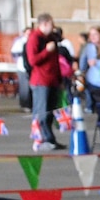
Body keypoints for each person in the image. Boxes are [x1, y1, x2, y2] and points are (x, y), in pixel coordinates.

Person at [24, 13, 62, 149]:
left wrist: (59, 78)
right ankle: (41, 139)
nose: (54, 28)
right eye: (52, 24)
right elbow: (32, 60)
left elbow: (56, 61)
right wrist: (46, 51)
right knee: (42, 112)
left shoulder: (50, 38)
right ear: (44, 24)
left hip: (52, 80)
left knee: (50, 112)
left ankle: (50, 138)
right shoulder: (34, 38)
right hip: (41, 81)